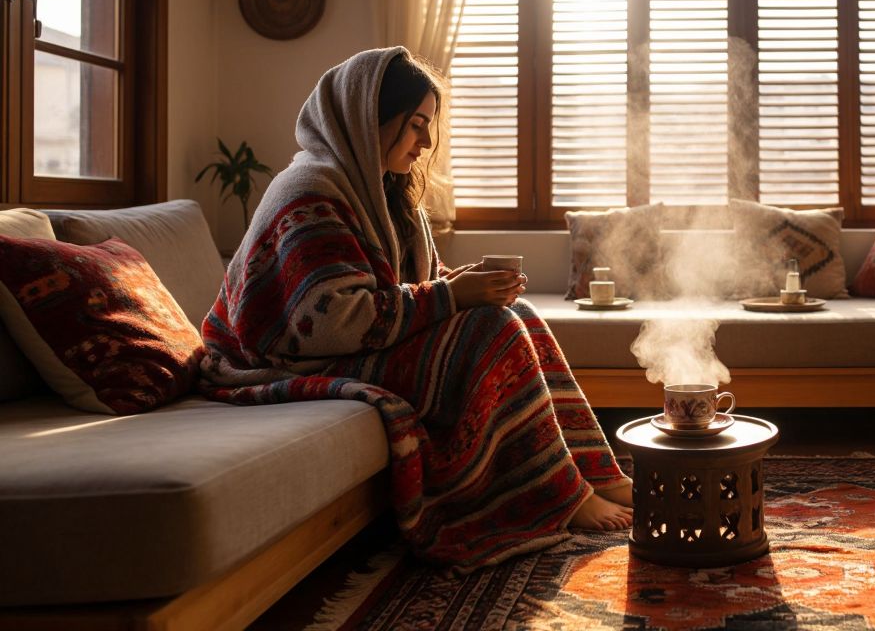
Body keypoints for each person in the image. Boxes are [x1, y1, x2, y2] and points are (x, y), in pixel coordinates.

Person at [198, 47, 633, 567]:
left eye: (429, 125)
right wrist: (453, 297)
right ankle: (559, 491)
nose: (426, 142)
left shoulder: (380, 186)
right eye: (415, 124)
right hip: (280, 359)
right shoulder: (308, 191)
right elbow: (330, 321)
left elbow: (405, 283)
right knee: (490, 330)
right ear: (367, 119)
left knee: (520, 317)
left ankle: (594, 470)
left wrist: (460, 283)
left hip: (345, 341)